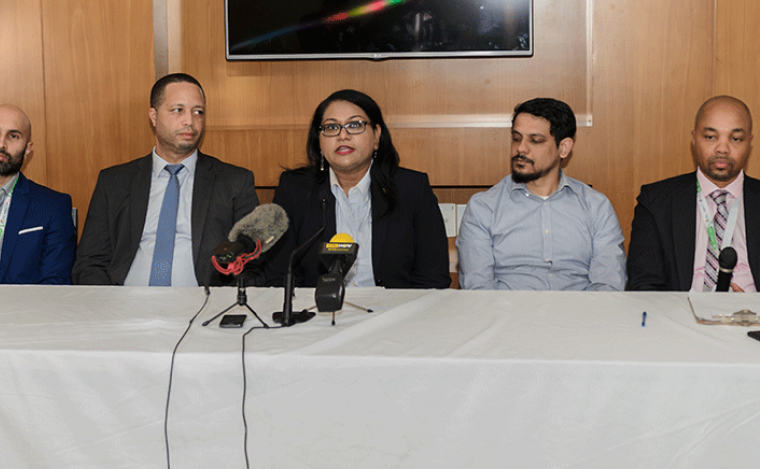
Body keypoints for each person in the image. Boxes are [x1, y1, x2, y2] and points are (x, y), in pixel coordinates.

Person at [72, 73, 259, 286]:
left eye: (198, 112)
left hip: (201, 308)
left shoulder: (234, 182)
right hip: (126, 307)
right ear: (153, 116)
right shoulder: (114, 182)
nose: (190, 121)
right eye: (177, 110)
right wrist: (112, 308)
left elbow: (252, 263)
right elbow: (89, 263)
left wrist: (218, 307)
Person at [264, 89, 451, 288]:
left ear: (377, 136)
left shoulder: (411, 188)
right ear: (319, 140)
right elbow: (280, 276)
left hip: (394, 313)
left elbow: (433, 278)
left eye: (355, 125)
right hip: (316, 313)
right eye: (331, 127)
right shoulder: (295, 190)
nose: (343, 135)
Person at [456, 97, 626, 290]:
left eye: (535, 140)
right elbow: (478, 289)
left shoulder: (597, 207)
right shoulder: (483, 207)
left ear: (563, 148)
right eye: (517, 138)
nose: (521, 148)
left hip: (579, 315)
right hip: (508, 316)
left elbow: (608, 285)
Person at [628, 95, 760, 291]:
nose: (722, 149)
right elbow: (645, 285)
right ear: (693, 139)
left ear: (749, 142)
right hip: (681, 317)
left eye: (735, 138)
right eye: (710, 137)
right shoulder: (655, 202)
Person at [0, 104, 76, 284]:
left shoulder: (53, 206)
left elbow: (56, 283)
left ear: (28, 149)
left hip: (18, 309)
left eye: (13, 136)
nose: (1, 144)